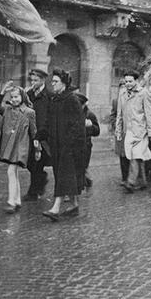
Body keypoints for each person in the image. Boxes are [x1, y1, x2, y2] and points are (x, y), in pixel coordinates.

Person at [43, 69, 86, 221]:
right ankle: (74, 205)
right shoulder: (55, 99)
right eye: (52, 81)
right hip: (56, 145)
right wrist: (40, 135)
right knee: (64, 176)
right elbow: (48, 122)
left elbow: (78, 125)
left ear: (64, 84)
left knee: (63, 176)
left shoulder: (71, 100)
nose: (52, 84)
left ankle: (55, 208)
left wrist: (69, 143)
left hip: (70, 147)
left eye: (55, 81)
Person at [0, 81, 39, 213]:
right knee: (14, 172)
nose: (13, 99)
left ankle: (11, 202)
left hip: (21, 147)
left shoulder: (29, 112)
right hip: (10, 146)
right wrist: (2, 92)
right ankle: (17, 200)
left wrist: (37, 149)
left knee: (11, 171)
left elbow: (34, 132)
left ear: (22, 97)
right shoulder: (7, 110)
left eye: (16, 97)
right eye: (11, 97)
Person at [115, 70, 151, 193]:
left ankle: (131, 182)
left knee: (135, 155)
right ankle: (143, 181)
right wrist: (118, 131)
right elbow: (119, 114)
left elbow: (150, 114)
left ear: (136, 81)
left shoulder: (144, 93)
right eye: (126, 81)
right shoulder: (122, 94)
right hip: (128, 131)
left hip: (140, 131)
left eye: (130, 81)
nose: (128, 84)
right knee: (138, 157)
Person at [23, 69, 51, 201]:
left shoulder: (49, 95)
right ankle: (41, 179)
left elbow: (47, 117)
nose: (33, 83)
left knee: (37, 162)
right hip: (29, 133)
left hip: (42, 134)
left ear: (43, 80)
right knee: (29, 162)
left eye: (36, 80)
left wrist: (41, 134)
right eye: (32, 80)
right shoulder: (28, 94)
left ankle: (33, 192)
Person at [76, 93, 100, 189]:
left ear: (83, 105)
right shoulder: (70, 113)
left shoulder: (89, 115)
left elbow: (97, 131)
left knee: (82, 166)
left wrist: (90, 127)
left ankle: (85, 181)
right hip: (73, 144)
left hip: (85, 145)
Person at [110, 79, 130, 185]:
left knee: (130, 155)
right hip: (120, 133)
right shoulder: (115, 101)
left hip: (130, 131)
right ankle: (124, 178)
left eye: (125, 87)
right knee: (122, 155)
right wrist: (115, 125)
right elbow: (112, 115)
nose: (123, 89)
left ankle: (132, 178)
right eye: (121, 87)